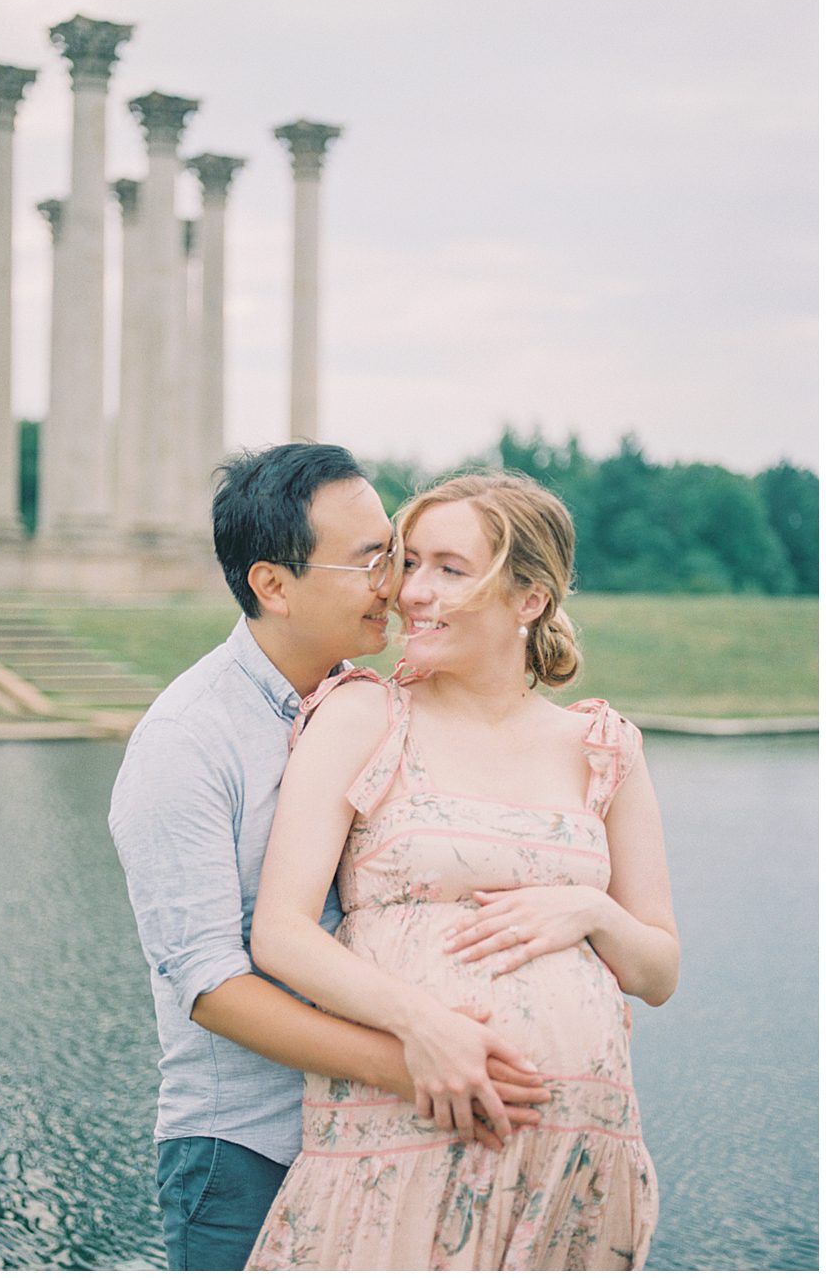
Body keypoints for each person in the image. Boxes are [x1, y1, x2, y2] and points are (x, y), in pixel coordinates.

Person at [109, 445, 549, 1272]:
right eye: (372, 560)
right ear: (273, 586)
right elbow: (211, 985)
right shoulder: (185, 745)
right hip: (245, 1152)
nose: (399, 583)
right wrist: (419, 1059)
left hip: (381, 1134)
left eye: (398, 551)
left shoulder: (373, 704)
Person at [246, 471, 680, 1271]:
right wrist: (425, 1028)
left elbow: (657, 972)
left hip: (572, 1170)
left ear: (529, 599)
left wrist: (593, 910)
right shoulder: (365, 715)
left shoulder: (604, 747)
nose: (412, 591)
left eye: (449, 568)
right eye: (409, 563)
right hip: (401, 1142)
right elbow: (279, 934)